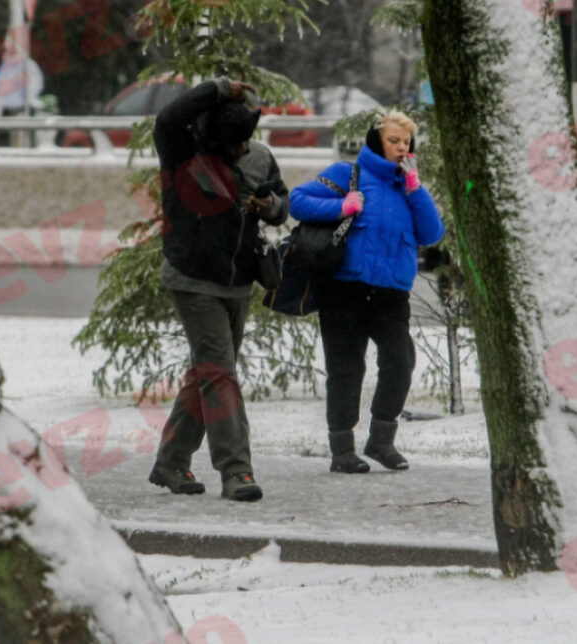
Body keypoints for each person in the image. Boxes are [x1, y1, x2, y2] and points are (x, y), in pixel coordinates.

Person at [148, 78, 290, 501]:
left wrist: (272, 208)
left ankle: (171, 461)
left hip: (238, 282)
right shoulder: (181, 152)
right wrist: (218, 88)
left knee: (208, 373)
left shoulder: (259, 155)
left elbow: (282, 201)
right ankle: (236, 471)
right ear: (213, 136)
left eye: (246, 141)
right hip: (192, 279)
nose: (242, 150)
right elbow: (168, 117)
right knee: (219, 374)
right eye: (233, 144)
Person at [289, 110, 444, 473]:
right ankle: (342, 451)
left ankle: (381, 442)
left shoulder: (409, 188)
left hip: (391, 295)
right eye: (394, 141)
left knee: (399, 363)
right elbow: (298, 200)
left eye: (406, 142)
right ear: (377, 142)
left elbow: (432, 234)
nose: (401, 148)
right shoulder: (348, 174)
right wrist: (340, 206)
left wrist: (416, 188)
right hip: (345, 289)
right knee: (346, 371)